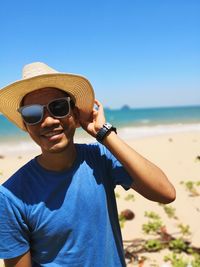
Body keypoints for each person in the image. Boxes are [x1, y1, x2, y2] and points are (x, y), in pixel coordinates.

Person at [0, 62, 176, 267]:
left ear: (74, 115)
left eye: (58, 107)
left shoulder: (100, 158)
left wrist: (104, 134)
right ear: (25, 125)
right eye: (32, 114)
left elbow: (166, 193)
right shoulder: (11, 197)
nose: (48, 121)